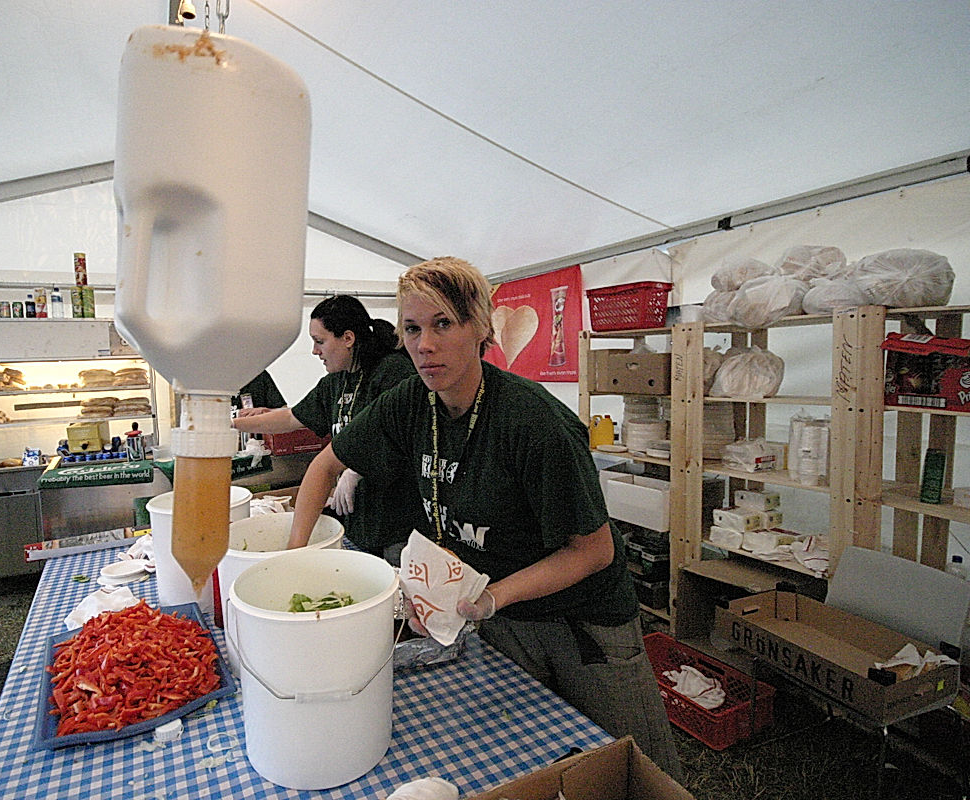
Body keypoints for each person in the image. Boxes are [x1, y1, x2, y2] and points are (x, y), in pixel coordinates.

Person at [286, 257, 682, 779]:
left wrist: (495, 596)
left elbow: (593, 550)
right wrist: (292, 567)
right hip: (502, 615)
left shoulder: (534, 421)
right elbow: (323, 466)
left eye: (443, 323)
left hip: (583, 622)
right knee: (539, 761)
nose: (424, 345)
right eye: (412, 328)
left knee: (635, 769)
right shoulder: (411, 402)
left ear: (480, 329)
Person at [234, 295, 418, 558]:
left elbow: (404, 437)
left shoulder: (392, 372)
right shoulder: (335, 381)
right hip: (358, 519)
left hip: (397, 524)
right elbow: (290, 418)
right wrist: (233, 424)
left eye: (320, 341)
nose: (314, 351)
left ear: (348, 338)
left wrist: (355, 468)